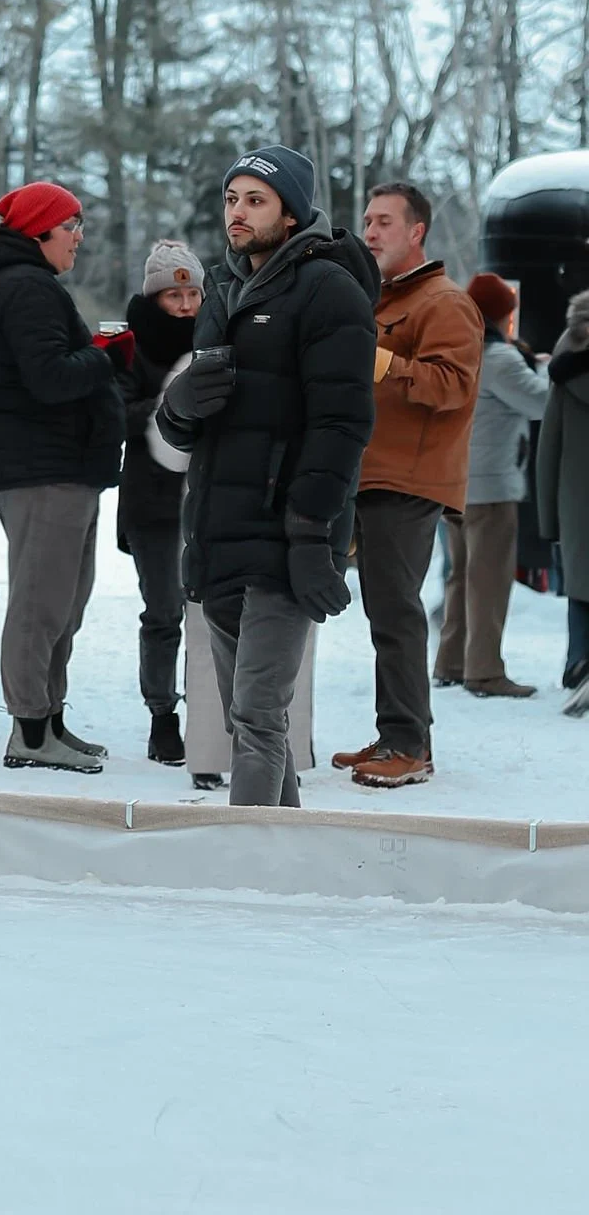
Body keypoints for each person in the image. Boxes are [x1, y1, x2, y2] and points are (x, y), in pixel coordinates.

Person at [154, 145, 376, 809]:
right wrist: (179, 404)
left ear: (292, 210)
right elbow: (188, 430)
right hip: (220, 532)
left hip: (285, 538)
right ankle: (281, 868)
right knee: (245, 721)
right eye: (232, 199)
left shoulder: (328, 289)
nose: (239, 214)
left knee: (257, 717)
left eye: (256, 200)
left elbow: (341, 426)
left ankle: (243, 879)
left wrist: (311, 535)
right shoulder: (224, 288)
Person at [0, 179, 123, 773]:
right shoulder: (24, 288)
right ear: (39, 232)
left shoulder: (21, 285)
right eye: (72, 226)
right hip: (43, 466)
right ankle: (29, 729)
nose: (79, 238)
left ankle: (47, 720)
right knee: (41, 603)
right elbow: (49, 378)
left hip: (55, 464)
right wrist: (110, 354)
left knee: (63, 601)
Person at [344, 180, 483, 789]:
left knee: (397, 611)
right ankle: (398, 732)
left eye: (383, 222)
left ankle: (409, 746)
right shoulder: (384, 298)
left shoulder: (444, 303)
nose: (370, 232)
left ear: (416, 231)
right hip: (376, 472)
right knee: (385, 610)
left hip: (409, 477)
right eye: (367, 221)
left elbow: (453, 387)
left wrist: (381, 361)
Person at [109, 238, 205, 766]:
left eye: (192, 295)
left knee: (213, 617)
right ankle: (162, 715)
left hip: (209, 498)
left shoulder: (220, 338)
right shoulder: (129, 346)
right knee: (165, 611)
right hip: (152, 500)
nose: (187, 306)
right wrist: (175, 396)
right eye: (174, 296)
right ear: (156, 298)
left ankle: (214, 715)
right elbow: (117, 413)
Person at [438, 270, 546, 698]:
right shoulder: (498, 359)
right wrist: (553, 373)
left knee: (461, 577)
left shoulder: (460, 350)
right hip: (492, 486)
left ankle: (451, 661)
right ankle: (484, 671)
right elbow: (539, 403)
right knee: (489, 581)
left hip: (455, 481)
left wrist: (532, 363)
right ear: (501, 315)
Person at [536, 287, 589, 711]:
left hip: (576, 493)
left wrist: (548, 515)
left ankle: (578, 661)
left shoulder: (567, 347)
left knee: (580, 581)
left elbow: (549, 437)